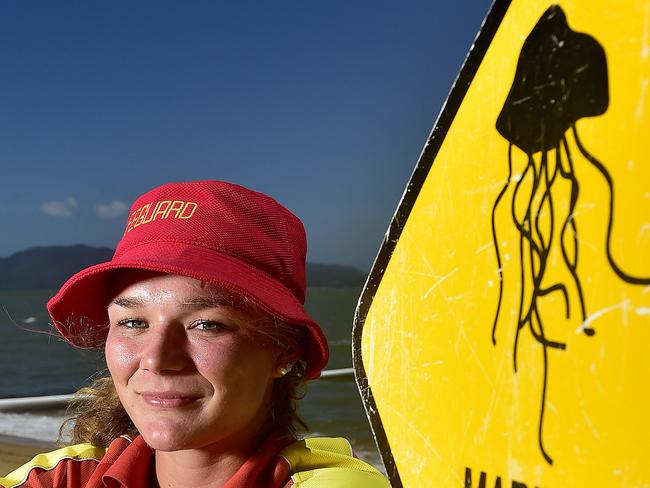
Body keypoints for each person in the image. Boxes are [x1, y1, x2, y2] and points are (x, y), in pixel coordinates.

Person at [1, 180, 389, 488]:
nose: (156, 358)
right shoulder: (66, 477)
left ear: (283, 351)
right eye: (133, 322)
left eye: (207, 324)